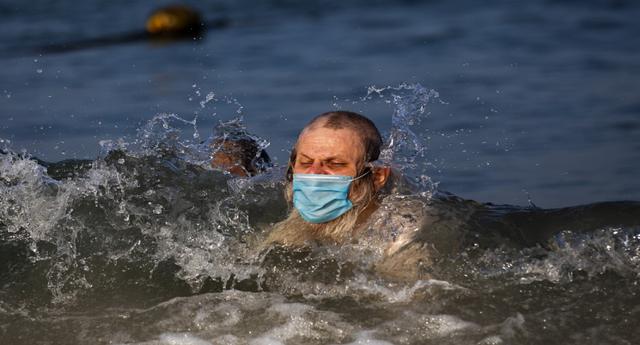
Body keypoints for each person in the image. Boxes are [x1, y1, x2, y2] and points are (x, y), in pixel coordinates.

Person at [263, 111, 437, 280]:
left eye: (335, 164)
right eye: (306, 162)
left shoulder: (403, 237)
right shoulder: (293, 227)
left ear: (377, 177)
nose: (314, 174)